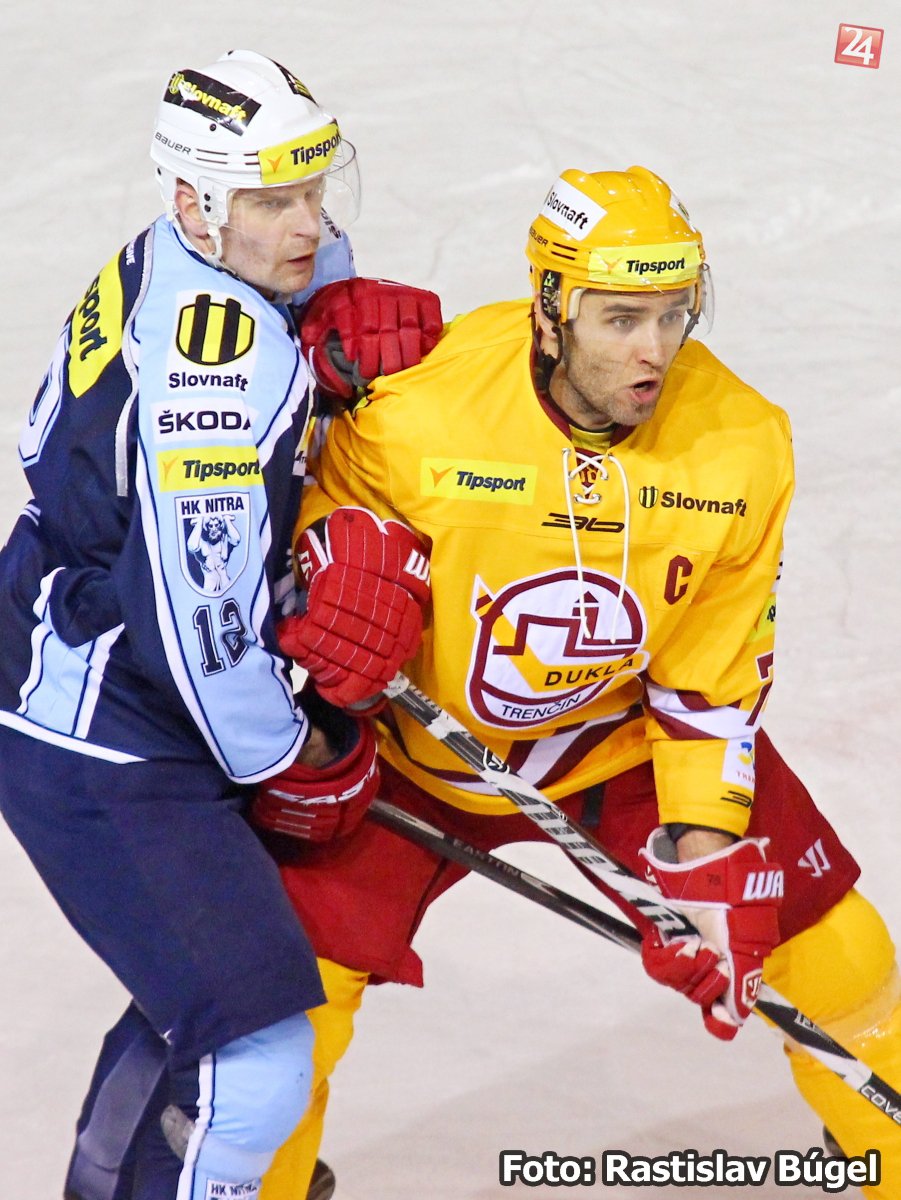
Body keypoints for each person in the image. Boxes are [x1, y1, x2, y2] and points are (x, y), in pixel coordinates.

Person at [253, 165, 901, 1198]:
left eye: (674, 314)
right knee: (276, 1012)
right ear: (550, 312)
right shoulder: (420, 408)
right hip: (408, 750)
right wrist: (336, 564)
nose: (655, 350)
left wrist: (704, 853)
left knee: (842, 965)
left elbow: (709, 680)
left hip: (613, 743)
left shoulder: (740, 444)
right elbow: (303, 543)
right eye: (620, 319)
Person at [0, 49, 440, 1200]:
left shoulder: (180, 256)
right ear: (196, 202)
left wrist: (327, 308)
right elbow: (194, 624)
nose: (308, 224)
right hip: (103, 728)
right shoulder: (219, 367)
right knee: (254, 1057)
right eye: (273, 201)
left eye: (313, 191)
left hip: (69, 657)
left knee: (188, 1004)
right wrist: (293, 753)